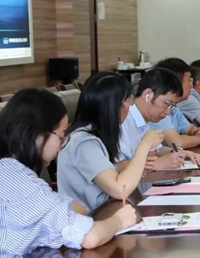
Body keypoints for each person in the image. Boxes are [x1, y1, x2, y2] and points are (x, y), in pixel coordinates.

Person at [0, 89, 138, 258]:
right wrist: (119, 220)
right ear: (39, 135)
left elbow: (73, 209)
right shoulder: (10, 175)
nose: (61, 146)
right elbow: (90, 236)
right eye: (61, 136)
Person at [57, 73, 166, 213]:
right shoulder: (83, 142)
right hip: (89, 220)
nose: (130, 104)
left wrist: (141, 206)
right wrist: (145, 145)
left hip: (108, 213)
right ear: (113, 105)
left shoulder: (99, 135)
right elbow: (120, 189)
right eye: (128, 99)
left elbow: (121, 178)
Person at [117, 68, 200, 169]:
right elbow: (116, 166)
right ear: (147, 95)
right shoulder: (123, 120)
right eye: (167, 104)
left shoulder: (145, 121)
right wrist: (157, 163)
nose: (168, 112)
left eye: (172, 106)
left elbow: (157, 150)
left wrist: (178, 152)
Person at [151, 58, 200, 148]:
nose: (191, 85)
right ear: (176, 83)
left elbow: (189, 129)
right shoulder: (159, 109)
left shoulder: (174, 108)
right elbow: (176, 143)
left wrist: (198, 131)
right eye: (189, 80)